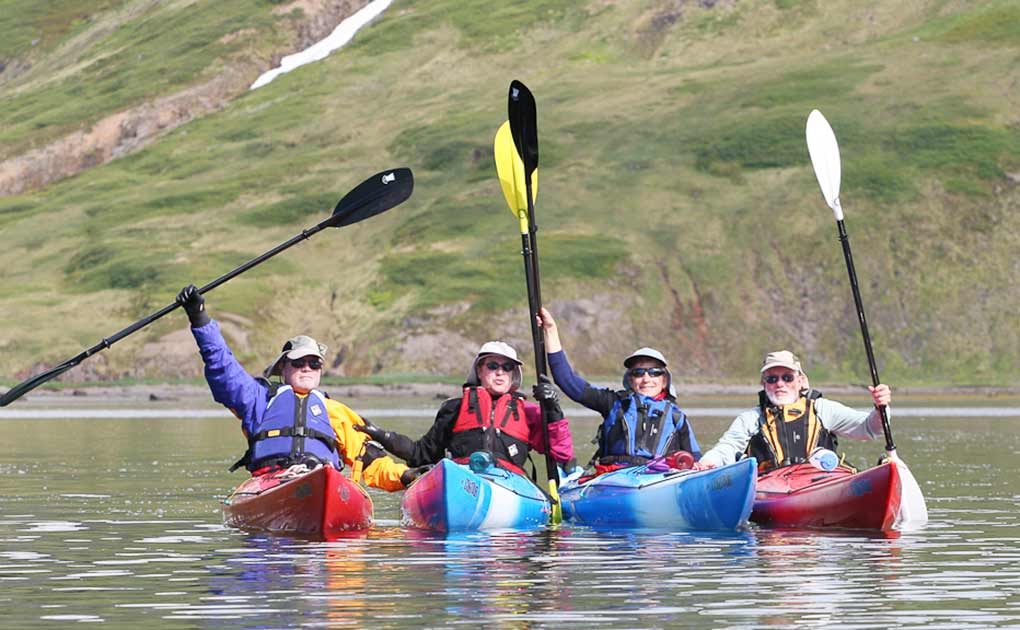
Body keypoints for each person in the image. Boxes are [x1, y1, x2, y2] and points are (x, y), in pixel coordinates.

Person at [177, 284, 420, 491]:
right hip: (271, 483)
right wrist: (199, 317)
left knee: (332, 477)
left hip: (322, 482)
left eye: (314, 363)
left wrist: (406, 476)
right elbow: (223, 367)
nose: (307, 368)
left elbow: (372, 462)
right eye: (298, 362)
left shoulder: (335, 412)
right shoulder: (258, 398)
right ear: (283, 368)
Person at [355, 341, 577, 478]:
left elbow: (562, 452)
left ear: (513, 374)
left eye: (507, 367)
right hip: (463, 479)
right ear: (479, 370)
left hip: (509, 483)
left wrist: (553, 408)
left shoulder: (528, 413)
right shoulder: (454, 408)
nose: (500, 372)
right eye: (492, 366)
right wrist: (382, 436)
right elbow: (420, 454)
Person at [536, 307, 700, 474]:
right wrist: (550, 330)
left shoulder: (677, 417)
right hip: (615, 476)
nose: (646, 379)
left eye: (654, 372)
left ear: (664, 381)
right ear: (630, 380)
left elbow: (696, 462)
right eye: (638, 373)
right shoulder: (613, 403)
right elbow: (567, 381)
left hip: (659, 477)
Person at [694, 350, 891, 472]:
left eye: (787, 377)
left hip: (820, 483)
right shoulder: (751, 419)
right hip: (771, 489)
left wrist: (880, 407)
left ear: (800, 381)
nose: (780, 384)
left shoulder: (822, 409)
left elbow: (869, 428)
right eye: (772, 379)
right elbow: (726, 449)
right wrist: (706, 464)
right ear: (764, 384)